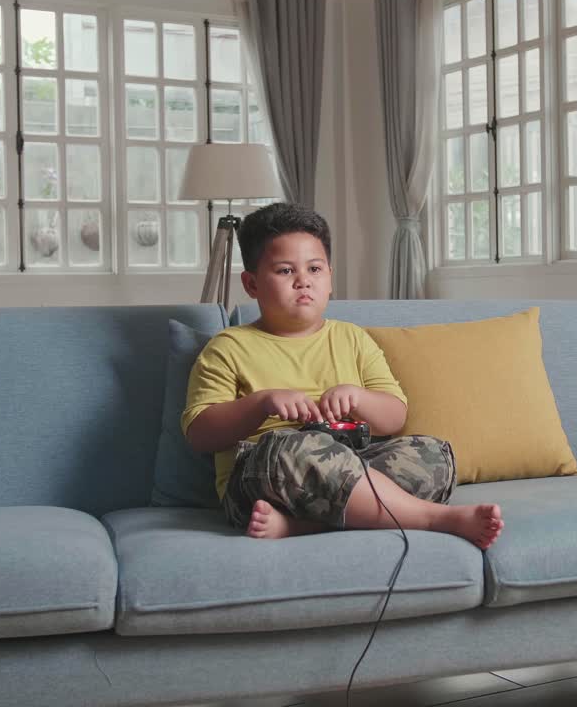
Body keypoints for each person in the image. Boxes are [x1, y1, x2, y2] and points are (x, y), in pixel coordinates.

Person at [181, 202, 503, 549]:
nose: (303, 280)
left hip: (351, 462)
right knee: (293, 449)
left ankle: (300, 527)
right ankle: (432, 517)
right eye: (285, 271)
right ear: (251, 283)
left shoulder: (352, 338)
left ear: (330, 277)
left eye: (315, 268)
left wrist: (360, 398)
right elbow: (201, 435)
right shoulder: (228, 346)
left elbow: (395, 417)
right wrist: (262, 403)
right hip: (267, 478)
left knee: (430, 454)